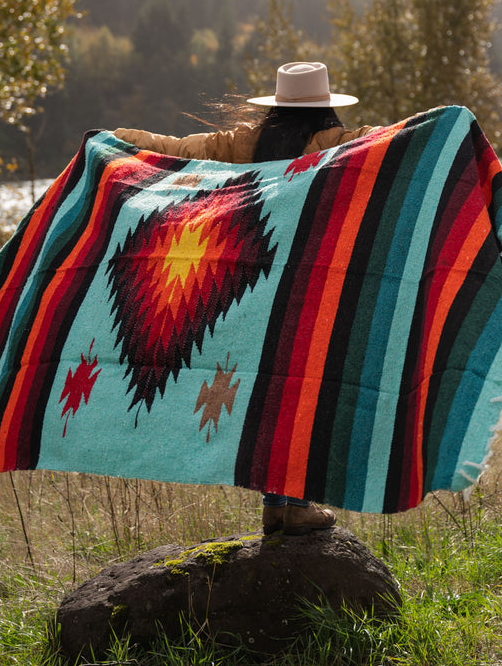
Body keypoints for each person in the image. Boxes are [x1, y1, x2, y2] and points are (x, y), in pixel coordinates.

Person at [115, 61, 374, 536]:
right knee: (298, 384)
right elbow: (396, 145)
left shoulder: (242, 143)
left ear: (276, 107)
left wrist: (117, 138)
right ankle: (293, 505)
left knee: (267, 384)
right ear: (326, 109)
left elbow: (172, 151)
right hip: (307, 283)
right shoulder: (341, 144)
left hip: (251, 281)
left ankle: (277, 505)